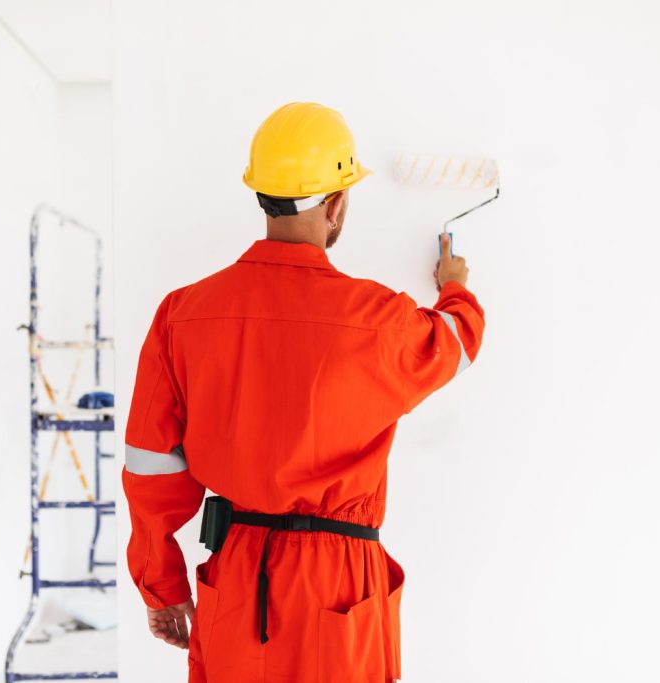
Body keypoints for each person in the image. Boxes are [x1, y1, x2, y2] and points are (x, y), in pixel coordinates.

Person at [121, 102, 485, 682]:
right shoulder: (376, 320)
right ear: (336, 203)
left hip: (237, 577)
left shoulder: (183, 315)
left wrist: (161, 586)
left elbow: (151, 467)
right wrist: (455, 288)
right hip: (340, 586)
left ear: (262, 195)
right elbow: (457, 341)